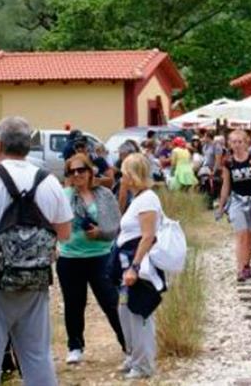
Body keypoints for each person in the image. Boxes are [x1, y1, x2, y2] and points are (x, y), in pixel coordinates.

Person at [0, 116, 73, 386]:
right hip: (35, 280)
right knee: (37, 357)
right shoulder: (48, 181)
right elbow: (65, 233)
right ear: (28, 146)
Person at [58, 154, 126, 364]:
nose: (77, 174)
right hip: (70, 257)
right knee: (74, 303)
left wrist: (100, 232)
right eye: (72, 171)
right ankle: (75, 345)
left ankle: (127, 343)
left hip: (101, 255)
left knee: (110, 301)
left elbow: (116, 225)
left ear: (90, 171)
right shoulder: (63, 196)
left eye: (81, 170)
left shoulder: (104, 194)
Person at [112, 153, 166, 379]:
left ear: (132, 175)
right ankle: (134, 356)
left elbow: (147, 235)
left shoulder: (147, 200)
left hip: (139, 266)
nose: (120, 178)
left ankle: (143, 364)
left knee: (138, 312)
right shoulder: (138, 198)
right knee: (125, 310)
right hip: (128, 264)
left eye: (124, 174)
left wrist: (134, 267)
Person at [217, 130, 251, 282]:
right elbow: (226, 185)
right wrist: (221, 206)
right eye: (234, 142)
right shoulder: (228, 163)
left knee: (250, 236)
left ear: (246, 143)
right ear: (230, 144)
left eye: (240, 142)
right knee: (241, 234)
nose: (237, 145)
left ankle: (246, 266)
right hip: (237, 201)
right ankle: (239, 269)